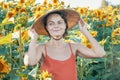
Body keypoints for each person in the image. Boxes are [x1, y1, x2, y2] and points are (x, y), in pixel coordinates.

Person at [24, 9, 106, 80]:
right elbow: (30, 62)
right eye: (51, 23)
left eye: (60, 22)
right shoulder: (41, 48)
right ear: (47, 28)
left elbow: (100, 53)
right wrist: (34, 39)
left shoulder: (74, 47)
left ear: (65, 25)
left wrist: (85, 32)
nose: (56, 26)